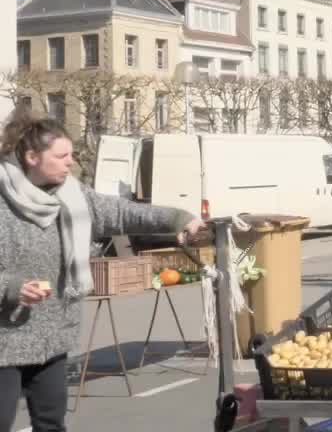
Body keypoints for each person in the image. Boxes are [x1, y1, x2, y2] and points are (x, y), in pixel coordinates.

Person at [0, 114, 203, 432]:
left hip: (53, 335)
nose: (71, 163)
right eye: (61, 156)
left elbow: (123, 213)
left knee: (51, 422)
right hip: (4, 339)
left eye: (71, 154)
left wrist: (177, 219)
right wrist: (11, 287)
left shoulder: (72, 195)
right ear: (31, 157)